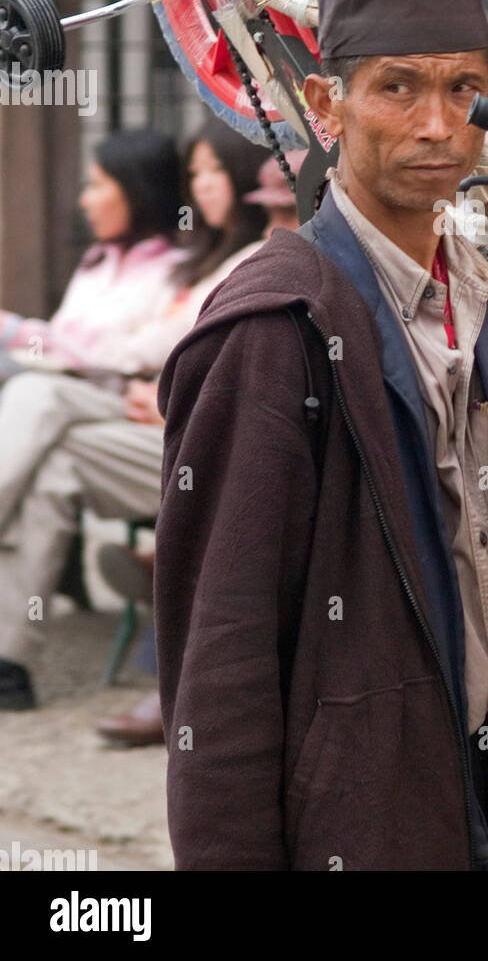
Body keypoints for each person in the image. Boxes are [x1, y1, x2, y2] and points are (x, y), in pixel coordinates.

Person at [155, 0, 488, 870]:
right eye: (398, 87)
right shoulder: (274, 331)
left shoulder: (479, 295)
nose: (438, 124)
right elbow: (221, 655)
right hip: (364, 816)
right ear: (326, 105)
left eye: (463, 89)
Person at [0, 120, 269, 712]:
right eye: (194, 174)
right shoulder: (184, 258)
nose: (200, 188)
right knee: (48, 464)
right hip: (124, 413)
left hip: (167, 430)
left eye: (214, 173)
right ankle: (9, 664)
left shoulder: (233, 259)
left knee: (37, 400)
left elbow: (147, 348)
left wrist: (30, 341)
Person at [93, 146, 307, 746]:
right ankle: (172, 679)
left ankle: (167, 586)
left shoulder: (315, 268)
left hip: (275, 441)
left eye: (289, 211)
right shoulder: (249, 259)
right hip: (207, 424)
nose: (277, 226)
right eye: (271, 212)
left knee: (218, 492)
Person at [0, 129, 184, 383]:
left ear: (137, 191)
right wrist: (11, 331)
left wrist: (17, 332)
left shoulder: (179, 270)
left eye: (96, 185)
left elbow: (125, 356)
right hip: (57, 381)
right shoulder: (98, 259)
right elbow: (61, 338)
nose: (85, 201)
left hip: (106, 391)